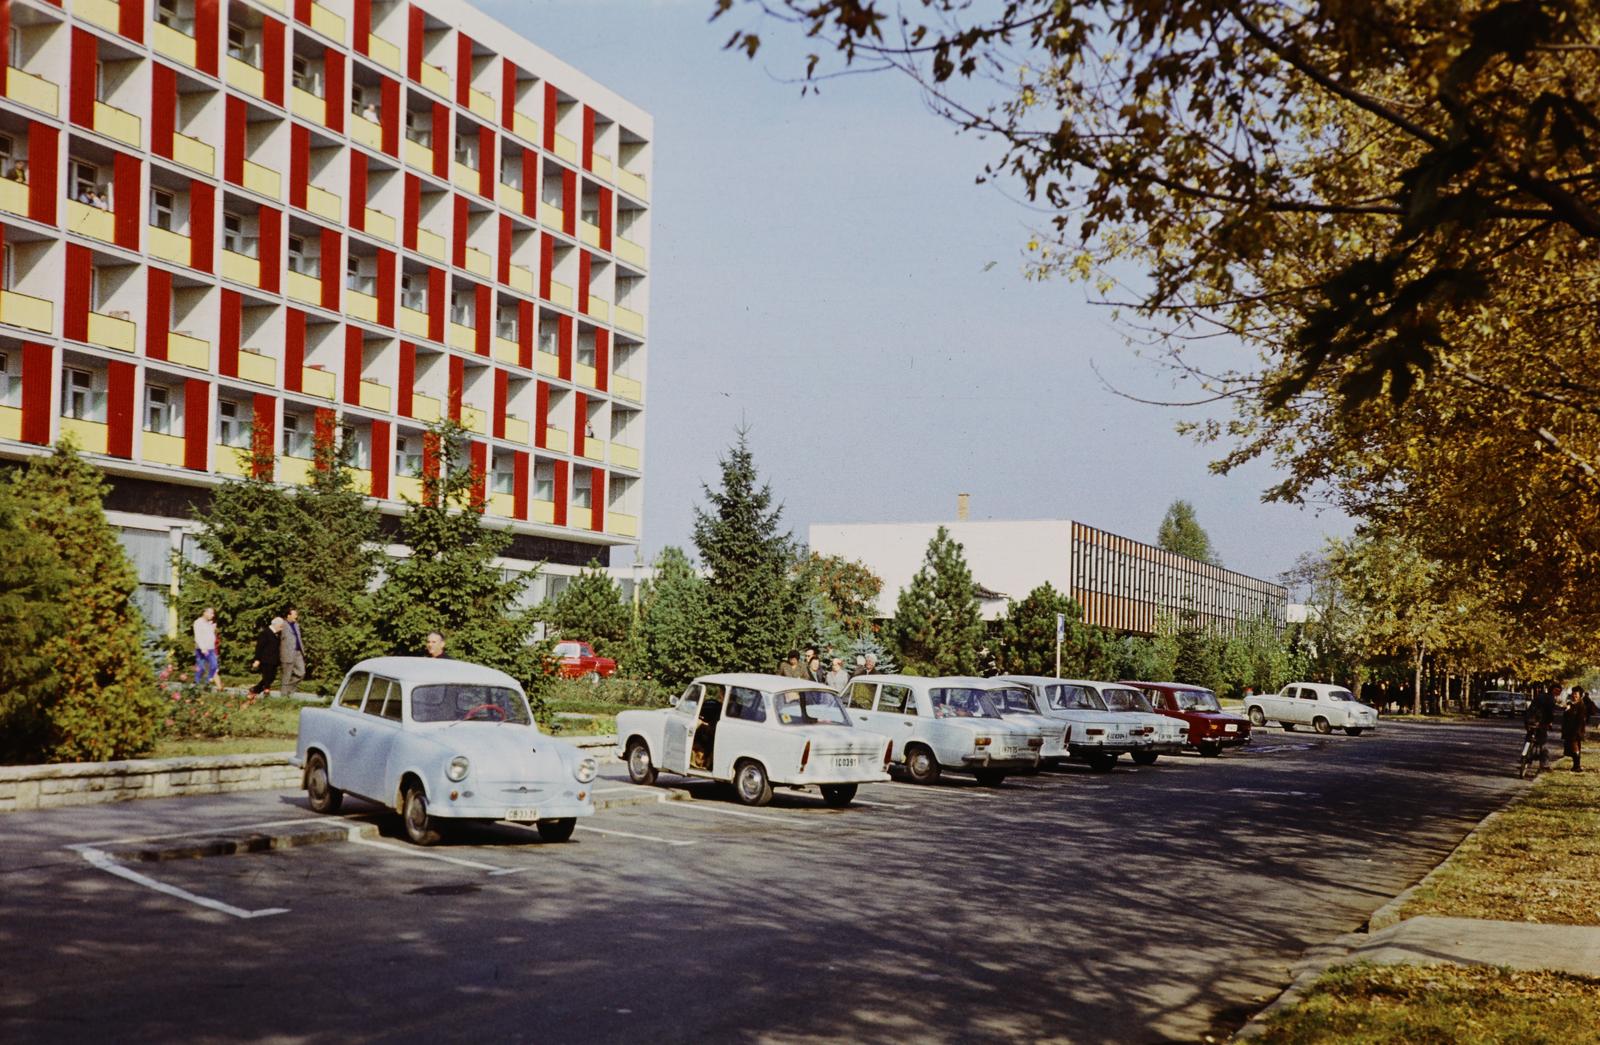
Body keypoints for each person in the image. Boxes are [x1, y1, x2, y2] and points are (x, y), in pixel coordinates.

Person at [248, 617, 285, 697]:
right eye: (281, 626)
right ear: (276, 625)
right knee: (267, 677)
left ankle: (255, 689)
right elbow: (259, 647)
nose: (282, 628)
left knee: (271, 677)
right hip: (265, 659)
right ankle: (266, 692)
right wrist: (257, 659)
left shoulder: (276, 634)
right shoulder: (265, 633)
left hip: (274, 660)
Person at [1561, 687, 1597, 772]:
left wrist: (1577, 731)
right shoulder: (1571, 704)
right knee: (1572, 747)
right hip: (1569, 729)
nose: (1574, 696)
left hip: (1576, 730)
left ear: (1580, 695)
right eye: (1573, 694)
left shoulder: (1581, 706)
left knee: (1575, 747)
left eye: (1576, 694)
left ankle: (1577, 767)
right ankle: (1575, 766)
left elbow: (1580, 720)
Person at [1526, 683, 1559, 772]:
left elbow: (1531, 707)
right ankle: (1544, 764)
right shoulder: (1551, 699)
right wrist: (1549, 723)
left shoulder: (1540, 695)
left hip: (1530, 719)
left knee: (1529, 739)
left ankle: (1525, 757)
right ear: (1552, 690)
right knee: (1543, 743)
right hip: (1540, 722)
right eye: (1557, 691)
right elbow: (1550, 713)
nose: (1558, 693)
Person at [279, 607, 307, 700]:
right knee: (286, 676)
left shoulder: (296, 625)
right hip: (287, 654)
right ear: (288, 615)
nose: (296, 616)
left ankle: (288, 690)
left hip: (298, 653)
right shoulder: (283, 625)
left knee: (301, 673)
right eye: (294, 614)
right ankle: (284, 697)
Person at [192, 606, 220, 688]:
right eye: (211, 613)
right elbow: (197, 636)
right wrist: (202, 647)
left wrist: (212, 628)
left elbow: (210, 636)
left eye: (213, 613)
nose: (213, 615)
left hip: (210, 649)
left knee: (214, 665)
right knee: (201, 667)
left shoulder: (209, 623)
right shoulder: (198, 622)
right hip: (202, 649)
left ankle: (208, 680)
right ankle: (197, 684)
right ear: (205, 613)